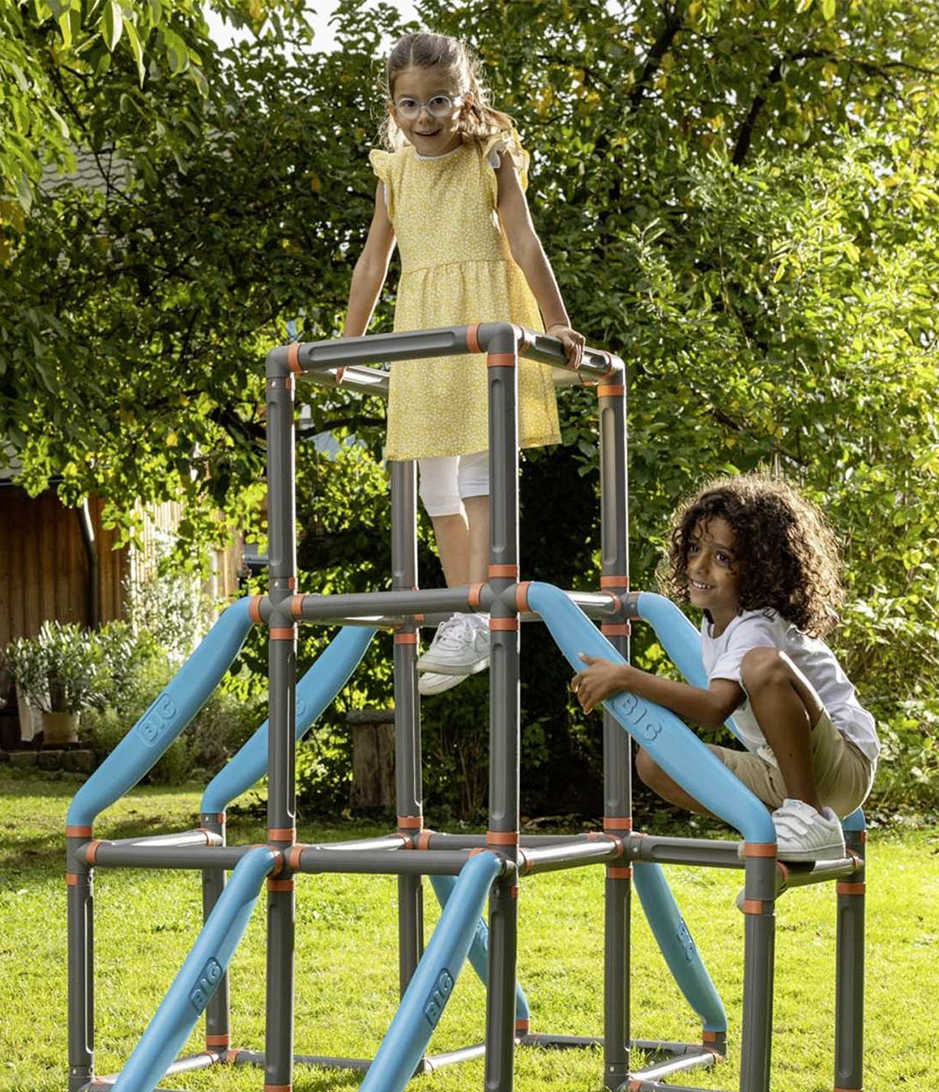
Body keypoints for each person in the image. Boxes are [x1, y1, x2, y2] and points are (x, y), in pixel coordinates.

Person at [340, 30, 585, 695]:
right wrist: (350, 342)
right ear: (393, 107)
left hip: (484, 320)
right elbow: (374, 260)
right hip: (424, 333)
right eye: (410, 104)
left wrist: (555, 320)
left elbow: (524, 240)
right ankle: (464, 613)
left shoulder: (489, 157)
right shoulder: (393, 173)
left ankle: (479, 611)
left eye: (438, 100)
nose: (424, 116)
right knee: (434, 487)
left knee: (480, 472)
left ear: (463, 97)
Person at [569, 473, 880, 860]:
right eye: (695, 548)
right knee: (656, 761)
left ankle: (808, 816)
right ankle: (774, 828)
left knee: (761, 665)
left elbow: (715, 708)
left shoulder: (756, 624)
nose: (699, 566)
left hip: (842, 765)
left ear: (759, 567)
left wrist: (625, 677)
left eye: (722, 558)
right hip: (780, 772)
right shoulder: (720, 620)